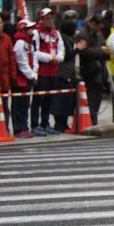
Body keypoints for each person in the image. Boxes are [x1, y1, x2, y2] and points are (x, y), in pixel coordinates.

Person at [31, 8, 65, 136]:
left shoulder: (56, 33)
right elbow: (35, 52)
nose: (50, 20)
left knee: (49, 99)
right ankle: (34, 124)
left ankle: (45, 123)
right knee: (37, 99)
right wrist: (50, 58)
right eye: (47, 18)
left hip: (54, 71)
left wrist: (58, 58)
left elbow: (61, 50)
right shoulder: (36, 32)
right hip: (41, 72)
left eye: (52, 18)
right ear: (41, 19)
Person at [11, 19, 38, 138]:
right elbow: (22, 62)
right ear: (23, 29)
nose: (32, 30)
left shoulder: (29, 42)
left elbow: (34, 58)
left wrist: (34, 73)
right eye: (30, 28)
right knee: (19, 105)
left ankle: (24, 127)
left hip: (27, 78)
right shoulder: (20, 43)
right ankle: (19, 129)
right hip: (20, 80)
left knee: (25, 104)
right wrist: (32, 76)